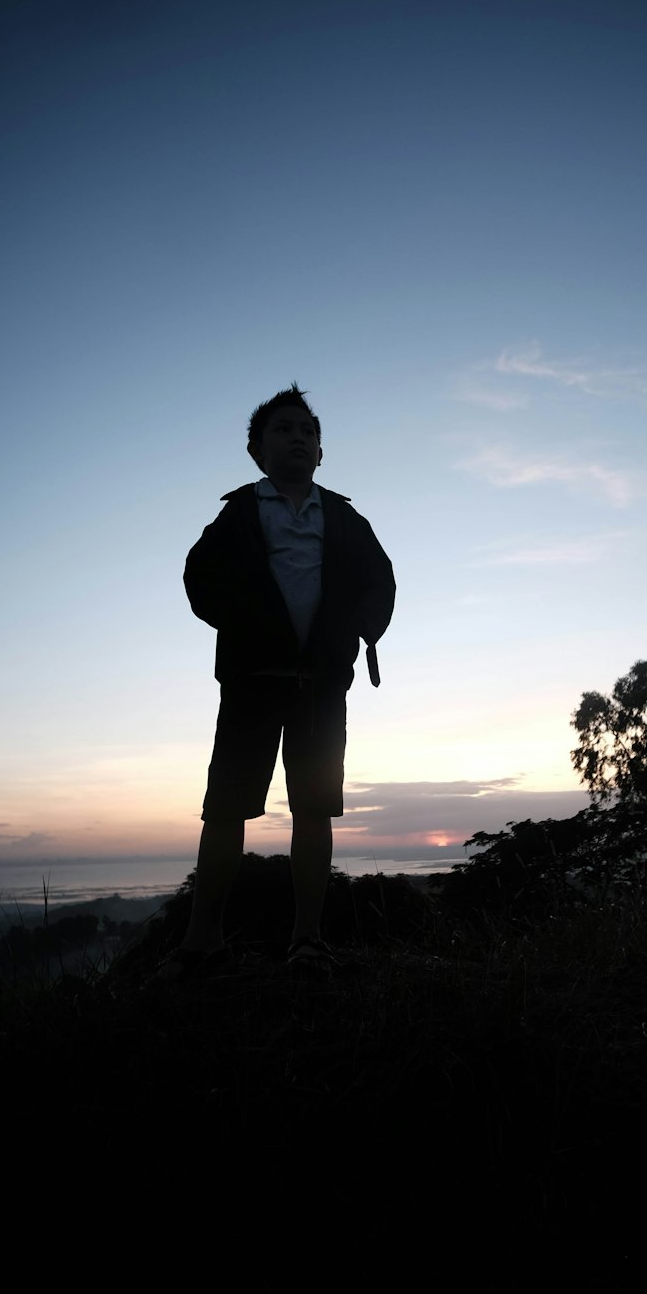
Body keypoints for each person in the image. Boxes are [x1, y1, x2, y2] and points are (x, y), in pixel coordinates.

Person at [170, 383, 395, 978]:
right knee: (225, 811)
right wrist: (244, 622)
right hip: (251, 681)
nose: (298, 438)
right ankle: (202, 939)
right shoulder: (240, 510)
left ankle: (308, 940)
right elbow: (200, 576)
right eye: (283, 430)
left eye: (308, 432)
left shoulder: (344, 516)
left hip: (321, 688)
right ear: (256, 449)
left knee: (314, 810)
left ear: (320, 452)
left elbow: (380, 579)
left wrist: (362, 630)